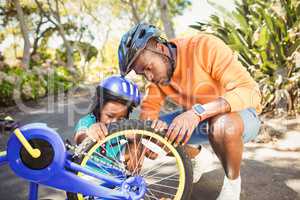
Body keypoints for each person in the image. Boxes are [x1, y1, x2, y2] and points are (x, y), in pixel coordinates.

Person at [118, 23, 262, 200]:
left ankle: (232, 183)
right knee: (150, 133)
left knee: (221, 124)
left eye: (148, 67)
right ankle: (200, 157)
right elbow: (148, 115)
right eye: (142, 74)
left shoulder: (204, 47)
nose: (149, 76)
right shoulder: (157, 77)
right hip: (201, 122)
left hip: (239, 118)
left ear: (161, 48)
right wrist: (140, 143)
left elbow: (251, 91)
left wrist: (197, 112)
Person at [73, 75, 140, 144]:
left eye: (121, 119)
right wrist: (89, 134)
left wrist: (133, 140)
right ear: (98, 109)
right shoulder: (87, 121)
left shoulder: (123, 128)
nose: (114, 122)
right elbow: (79, 137)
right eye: (110, 116)